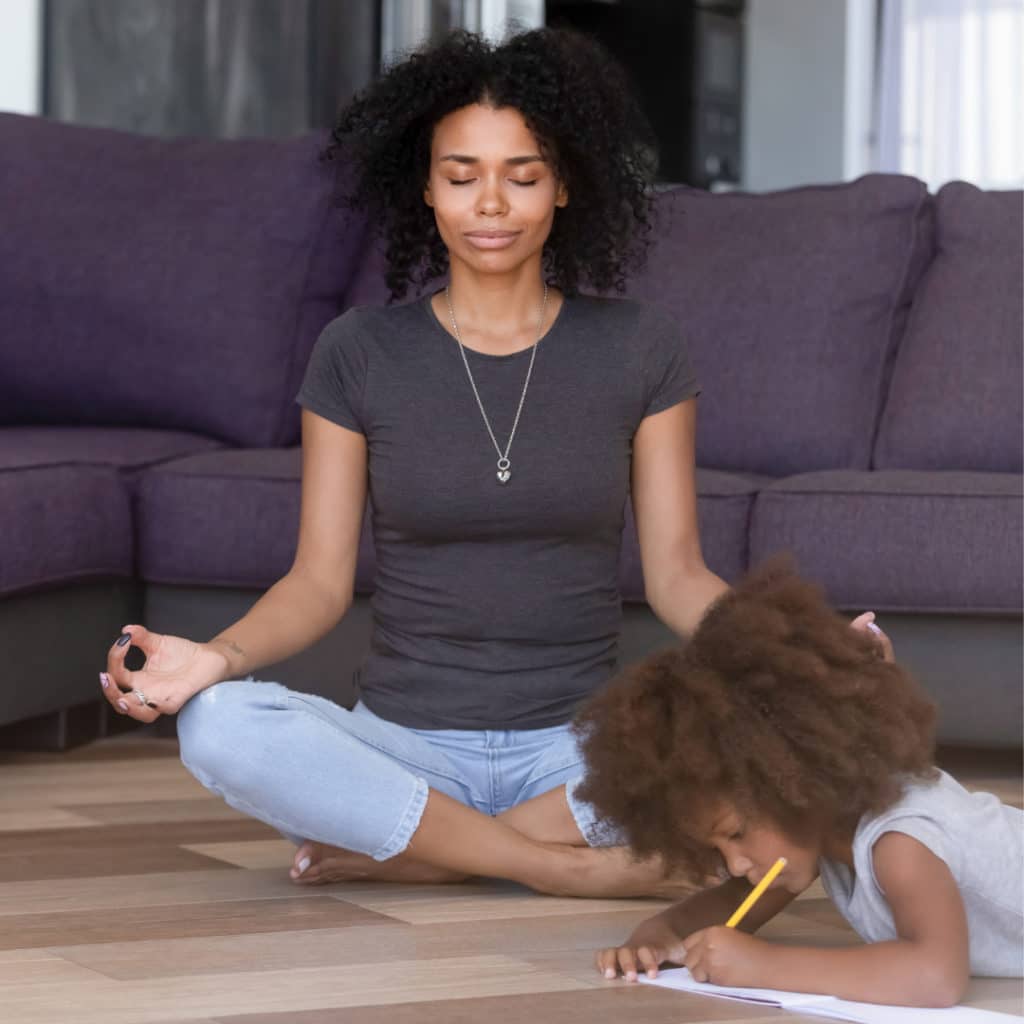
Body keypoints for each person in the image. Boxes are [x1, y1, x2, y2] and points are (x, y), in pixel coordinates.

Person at [98, 27, 874, 898]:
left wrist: (799, 656)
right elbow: (317, 582)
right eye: (462, 176)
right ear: (425, 188)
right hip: (399, 747)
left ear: (566, 184)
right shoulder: (358, 352)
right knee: (220, 725)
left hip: (582, 757)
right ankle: (554, 868)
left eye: (524, 175)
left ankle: (430, 851)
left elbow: (678, 575)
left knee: (772, 725)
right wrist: (215, 657)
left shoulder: (641, 348)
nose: (491, 203)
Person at [575, 560, 1023, 1005]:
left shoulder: (900, 841)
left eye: (736, 834)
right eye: (719, 849)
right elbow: (725, 906)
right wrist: (656, 938)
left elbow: (935, 978)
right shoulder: (819, 831)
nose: (734, 864)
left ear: (793, 776)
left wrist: (765, 965)